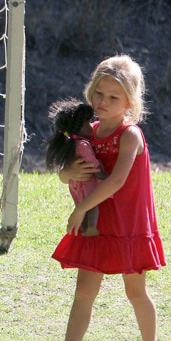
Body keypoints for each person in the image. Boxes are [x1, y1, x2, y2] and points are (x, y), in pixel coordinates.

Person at [31, 55, 170, 341]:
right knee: (84, 291)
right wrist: (68, 173)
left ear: (129, 102)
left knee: (135, 291)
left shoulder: (130, 135)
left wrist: (80, 209)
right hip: (98, 224)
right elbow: (68, 174)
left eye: (113, 97)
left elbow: (116, 181)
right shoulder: (87, 132)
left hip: (127, 224)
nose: (103, 102)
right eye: (99, 94)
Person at [45, 98, 107, 237]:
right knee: (90, 205)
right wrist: (100, 173)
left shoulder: (71, 142)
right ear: (80, 126)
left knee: (82, 204)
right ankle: (90, 227)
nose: (91, 126)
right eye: (88, 122)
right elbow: (91, 163)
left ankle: (85, 228)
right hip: (89, 183)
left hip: (77, 185)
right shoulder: (83, 143)